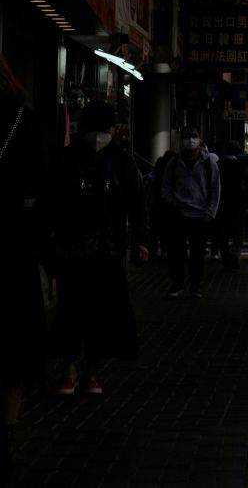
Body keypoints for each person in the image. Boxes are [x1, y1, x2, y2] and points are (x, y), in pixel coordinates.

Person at [39, 101, 148, 397]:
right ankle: (77, 370)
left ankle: (83, 371)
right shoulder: (73, 160)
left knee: (92, 311)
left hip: (96, 250)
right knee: (82, 310)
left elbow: (137, 204)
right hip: (87, 250)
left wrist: (140, 239)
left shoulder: (115, 162)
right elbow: (48, 205)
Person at [0, 58, 42, 486]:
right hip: (12, 248)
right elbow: (40, 189)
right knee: (11, 354)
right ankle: (6, 437)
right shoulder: (22, 120)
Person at [161, 126, 221, 298]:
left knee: (197, 255)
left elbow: (215, 189)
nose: (190, 140)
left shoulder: (209, 163)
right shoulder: (174, 162)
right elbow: (166, 186)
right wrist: (171, 203)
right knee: (176, 253)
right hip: (178, 213)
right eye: (187, 136)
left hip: (200, 216)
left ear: (200, 138)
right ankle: (177, 284)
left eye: (193, 136)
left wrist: (210, 212)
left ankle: (196, 285)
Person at [213, 140, 248, 272]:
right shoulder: (242, 167)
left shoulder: (217, 166)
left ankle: (226, 257)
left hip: (220, 204)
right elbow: (246, 188)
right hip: (238, 205)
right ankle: (234, 254)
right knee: (238, 234)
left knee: (222, 234)